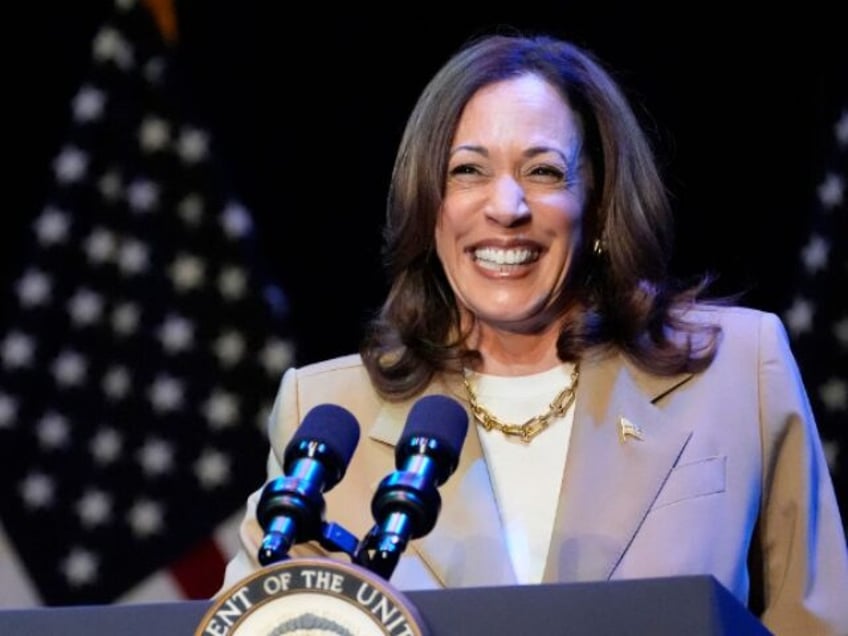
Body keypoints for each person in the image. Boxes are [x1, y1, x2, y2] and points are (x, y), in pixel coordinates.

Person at [218, 31, 848, 634]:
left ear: (597, 204)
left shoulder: (737, 370)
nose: (507, 207)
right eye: (468, 171)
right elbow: (247, 623)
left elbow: (816, 623)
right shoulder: (329, 411)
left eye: (544, 171)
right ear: (428, 205)